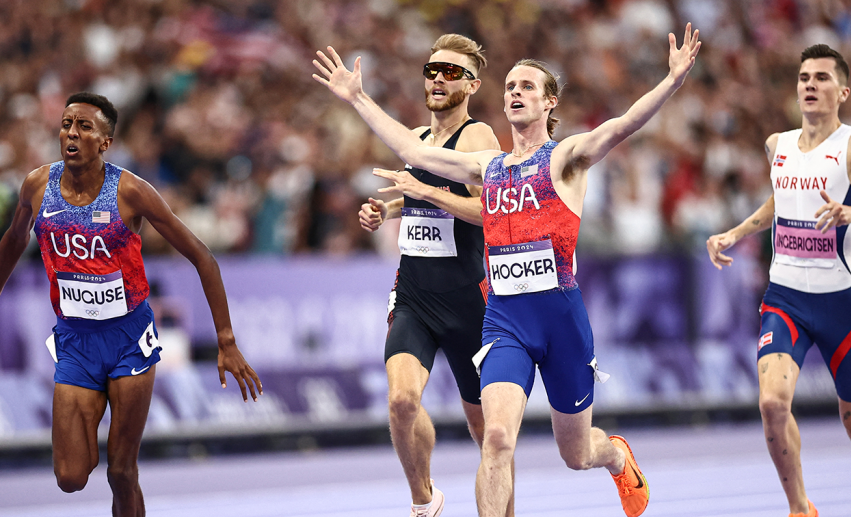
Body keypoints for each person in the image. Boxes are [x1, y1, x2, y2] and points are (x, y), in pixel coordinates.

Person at [314, 23, 702, 517]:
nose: (516, 93)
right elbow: (412, 153)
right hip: (504, 321)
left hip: (560, 320)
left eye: (527, 87)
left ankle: (618, 456)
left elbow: (621, 125)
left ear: (548, 103)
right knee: (495, 438)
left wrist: (670, 82)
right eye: (510, 87)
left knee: (576, 453)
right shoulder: (488, 166)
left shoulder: (564, 159)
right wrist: (357, 97)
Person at [0, 92, 262, 517]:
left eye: (85, 127)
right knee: (70, 476)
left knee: (121, 471)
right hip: (75, 341)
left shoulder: (131, 191)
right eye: (67, 123)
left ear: (104, 142)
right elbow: (13, 241)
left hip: (128, 340)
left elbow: (202, 258)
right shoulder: (36, 185)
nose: (71, 132)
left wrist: (226, 340)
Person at [706, 44, 851, 517]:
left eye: (821, 78)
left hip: (840, 305)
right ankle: (800, 508)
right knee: (772, 405)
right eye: (804, 78)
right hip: (785, 299)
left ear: (842, 91)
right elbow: (780, 202)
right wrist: (735, 233)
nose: (810, 85)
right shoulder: (776, 145)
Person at [356, 34, 507, 517]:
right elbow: (423, 197)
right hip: (415, 296)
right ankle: (425, 502)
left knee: (488, 435)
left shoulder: (479, 137)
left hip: (468, 303)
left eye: (451, 72)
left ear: (472, 84)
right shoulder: (419, 140)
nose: (438, 77)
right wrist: (389, 208)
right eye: (431, 69)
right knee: (401, 403)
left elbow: (489, 212)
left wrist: (421, 189)